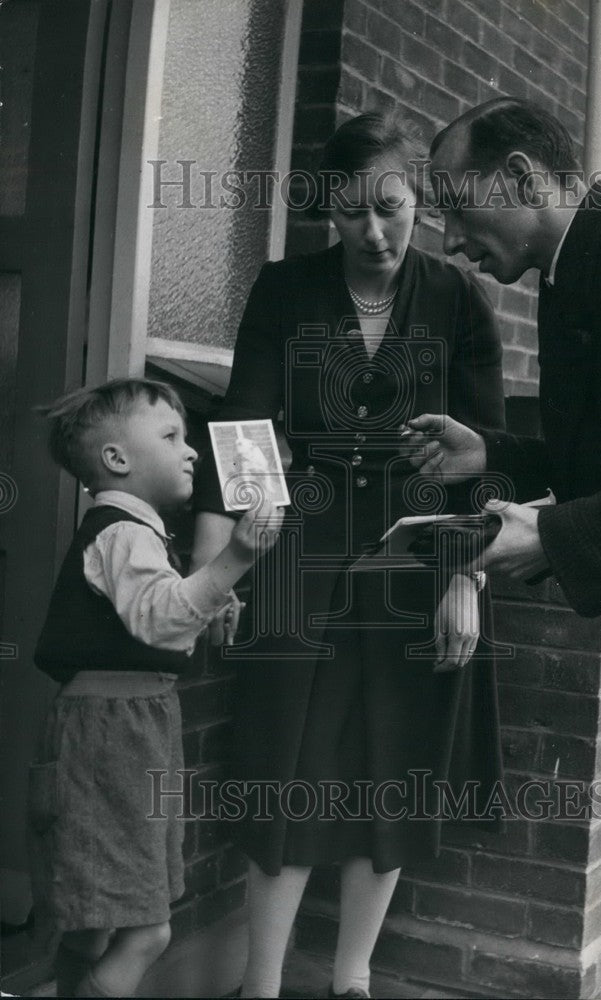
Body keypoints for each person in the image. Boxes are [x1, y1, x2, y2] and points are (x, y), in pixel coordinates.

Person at [403, 97, 601, 999]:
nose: (453, 241)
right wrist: (496, 454)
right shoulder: (570, 273)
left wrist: (553, 530)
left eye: (457, 208)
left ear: (519, 177)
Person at [191, 111, 507, 999]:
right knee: (285, 762)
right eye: (350, 213)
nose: (372, 232)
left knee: (394, 768)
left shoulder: (455, 299)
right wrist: (219, 565)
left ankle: (352, 980)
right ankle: (260, 985)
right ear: (327, 210)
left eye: (390, 209)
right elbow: (243, 427)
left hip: (419, 556)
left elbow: (485, 455)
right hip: (301, 549)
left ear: (418, 200)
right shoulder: (285, 291)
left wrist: (464, 579)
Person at [28, 378, 282, 998]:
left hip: (125, 724)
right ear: (117, 461)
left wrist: (209, 609)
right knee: (147, 932)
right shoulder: (124, 532)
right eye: (172, 436)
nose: (191, 450)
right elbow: (160, 617)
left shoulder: (133, 532)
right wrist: (234, 559)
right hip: (115, 732)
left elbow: (161, 620)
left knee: (97, 923)